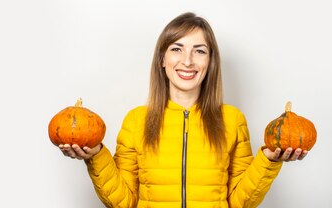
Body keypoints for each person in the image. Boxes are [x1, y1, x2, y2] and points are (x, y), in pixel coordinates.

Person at [58, 12, 308, 208]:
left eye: (199, 51)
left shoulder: (232, 120)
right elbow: (123, 202)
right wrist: (96, 156)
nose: (187, 61)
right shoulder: (137, 121)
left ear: (210, 62)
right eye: (176, 49)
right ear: (162, 59)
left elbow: (239, 202)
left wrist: (269, 161)